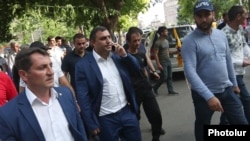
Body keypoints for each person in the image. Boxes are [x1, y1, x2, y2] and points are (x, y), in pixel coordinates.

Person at [181, 1, 248, 141]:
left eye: (207, 14)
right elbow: (190, 72)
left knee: (241, 124)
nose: (204, 19)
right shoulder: (189, 41)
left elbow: (228, 60)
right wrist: (209, 96)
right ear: (195, 18)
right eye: (199, 16)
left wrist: (234, 84)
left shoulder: (220, 35)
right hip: (203, 96)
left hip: (227, 89)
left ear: (213, 15)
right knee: (202, 126)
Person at [0, 47, 88, 141]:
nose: (51, 72)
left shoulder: (66, 95)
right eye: (42, 68)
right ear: (24, 75)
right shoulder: (8, 114)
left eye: (51, 65)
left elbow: (79, 130)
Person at [75, 26, 142, 141]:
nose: (108, 41)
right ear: (92, 43)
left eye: (109, 37)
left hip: (127, 112)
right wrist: (90, 122)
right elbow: (83, 97)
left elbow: (136, 69)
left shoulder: (118, 57)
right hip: (105, 119)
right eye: (103, 38)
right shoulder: (83, 66)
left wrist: (125, 55)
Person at [126, 27, 164, 141]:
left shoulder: (141, 53)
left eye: (139, 40)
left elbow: (144, 65)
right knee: (134, 119)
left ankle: (156, 137)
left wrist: (153, 72)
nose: (137, 43)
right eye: (134, 41)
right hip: (133, 92)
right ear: (128, 42)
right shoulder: (124, 57)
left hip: (146, 89)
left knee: (156, 115)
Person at [221, 5, 250, 124]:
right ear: (238, 16)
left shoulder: (240, 30)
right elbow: (223, 58)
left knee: (232, 103)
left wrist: (248, 55)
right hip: (230, 74)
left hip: (239, 73)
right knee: (244, 101)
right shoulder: (223, 34)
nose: (247, 16)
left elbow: (244, 45)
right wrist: (242, 62)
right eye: (245, 14)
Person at [152, 26, 179, 95]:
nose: (167, 32)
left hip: (168, 60)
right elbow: (155, 54)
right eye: (166, 31)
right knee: (164, 77)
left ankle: (170, 90)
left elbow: (167, 51)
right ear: (161, 33)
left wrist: (176, 52)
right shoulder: (158, 42)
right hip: (162, 62)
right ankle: (154, 88)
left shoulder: (166, 41)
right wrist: (158, 64)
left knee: (170, 76)